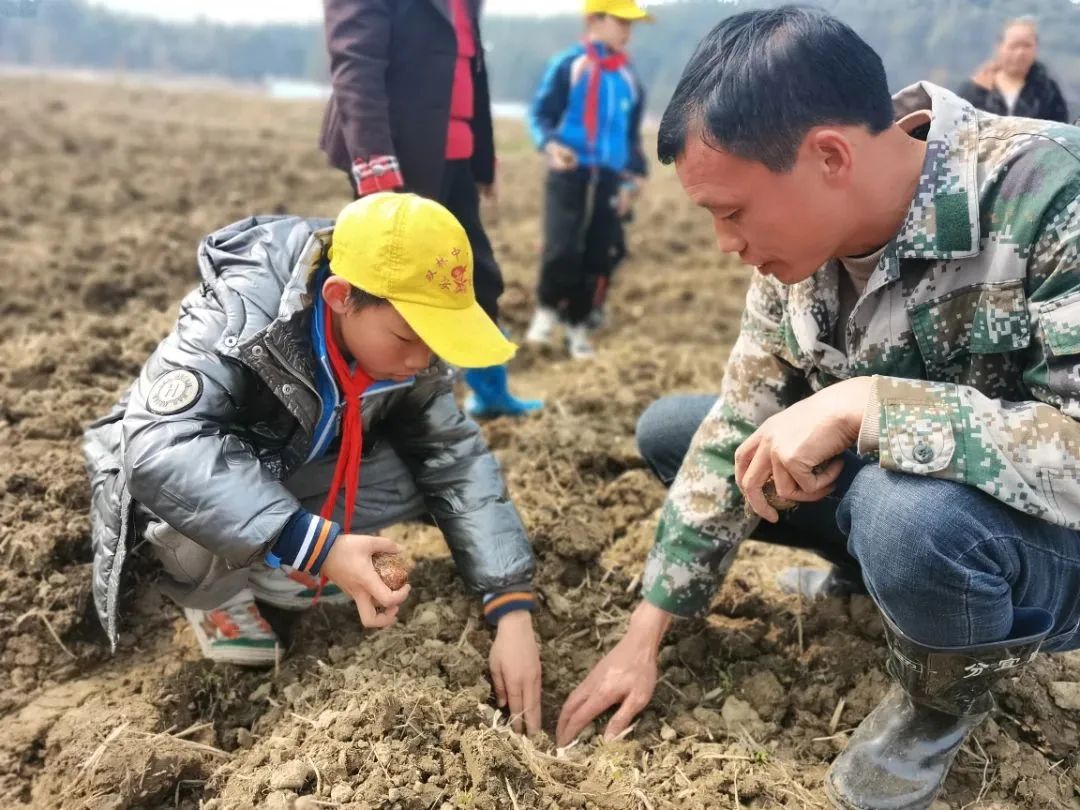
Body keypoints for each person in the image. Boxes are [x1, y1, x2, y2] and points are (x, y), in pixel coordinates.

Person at [556, 8, 1080, 809]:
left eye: (732, 212)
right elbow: (738, 414)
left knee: (902, 513)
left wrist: (869, 402)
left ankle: (940, 701)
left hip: (1046, 550)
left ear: (829, 155)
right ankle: (886, 583)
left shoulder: (1049, 192)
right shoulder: (799, 254)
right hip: (925, 506)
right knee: (685, 435)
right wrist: (645, 635)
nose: (725, 243)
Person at [83, 194, 543, 734]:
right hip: (162, 490)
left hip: (286, 464)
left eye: (435, 339)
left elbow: (455, 458)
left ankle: (278, 570)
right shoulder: (242, 316)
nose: (421, 359)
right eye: (406, 337)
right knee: (187, 512)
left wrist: (511, 606)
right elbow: (162, 443)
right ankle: (217, 595)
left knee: (423, 464)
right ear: (341, 296)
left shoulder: (401, 352)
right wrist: (320, 545)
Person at [318, 0, 541, 419]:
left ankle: (487, 389)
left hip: (452, 153)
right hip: (397, 153)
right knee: (401, 290)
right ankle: (380, 401)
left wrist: (482, 157)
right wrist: (375, 161)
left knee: (478, 275)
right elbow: (355, 61)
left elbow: (472, 74)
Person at [524, 0, 649, 360]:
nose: (628, 30)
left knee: (600, 252)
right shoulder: (568, 65)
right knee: (561, 247)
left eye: (631, 24)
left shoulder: (629, 78)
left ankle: (578, 323)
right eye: (621, 21)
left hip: (610, 178)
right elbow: (541, 114)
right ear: (594, 19)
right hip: (569, 172)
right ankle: (547, 310)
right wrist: (551, 146)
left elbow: (631, 136)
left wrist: (635, 177)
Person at [958, 17, 1069, 123]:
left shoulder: (1048, 90)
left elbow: (1060, 134)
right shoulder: (976, 90)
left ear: (1036, 48)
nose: (1020, 52)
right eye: (1014, 46)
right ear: (999, 47)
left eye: (1027, 45)